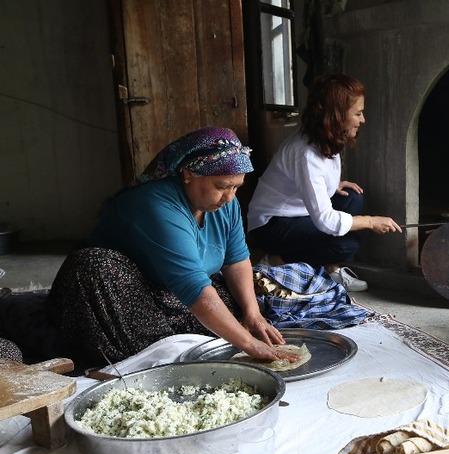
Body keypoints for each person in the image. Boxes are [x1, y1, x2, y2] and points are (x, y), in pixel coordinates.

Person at [49, 127, 293, 363]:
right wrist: (248, 345)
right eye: (221, 186)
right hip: (120, 293)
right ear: (188, 174)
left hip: (169, 293)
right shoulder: (157, 204)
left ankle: (172, 339)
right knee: (96, 267)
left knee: (235, 304)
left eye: (236, 187)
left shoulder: (225, 205)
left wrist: (253, 314)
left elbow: (236, 259)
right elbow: (193, 287)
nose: (230, 197)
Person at [247, 74, 401, 292]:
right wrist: (370, 221)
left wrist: (331, 185)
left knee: (352, 198)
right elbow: (325, 221)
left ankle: (330, 269)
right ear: (337, 116)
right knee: (346, 243)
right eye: (358, 113)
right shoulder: (305, 153)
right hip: (271, 224)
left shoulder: (324, 136)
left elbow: (309, 179)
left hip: (299, 212)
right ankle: (273, 261)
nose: (363, 120)